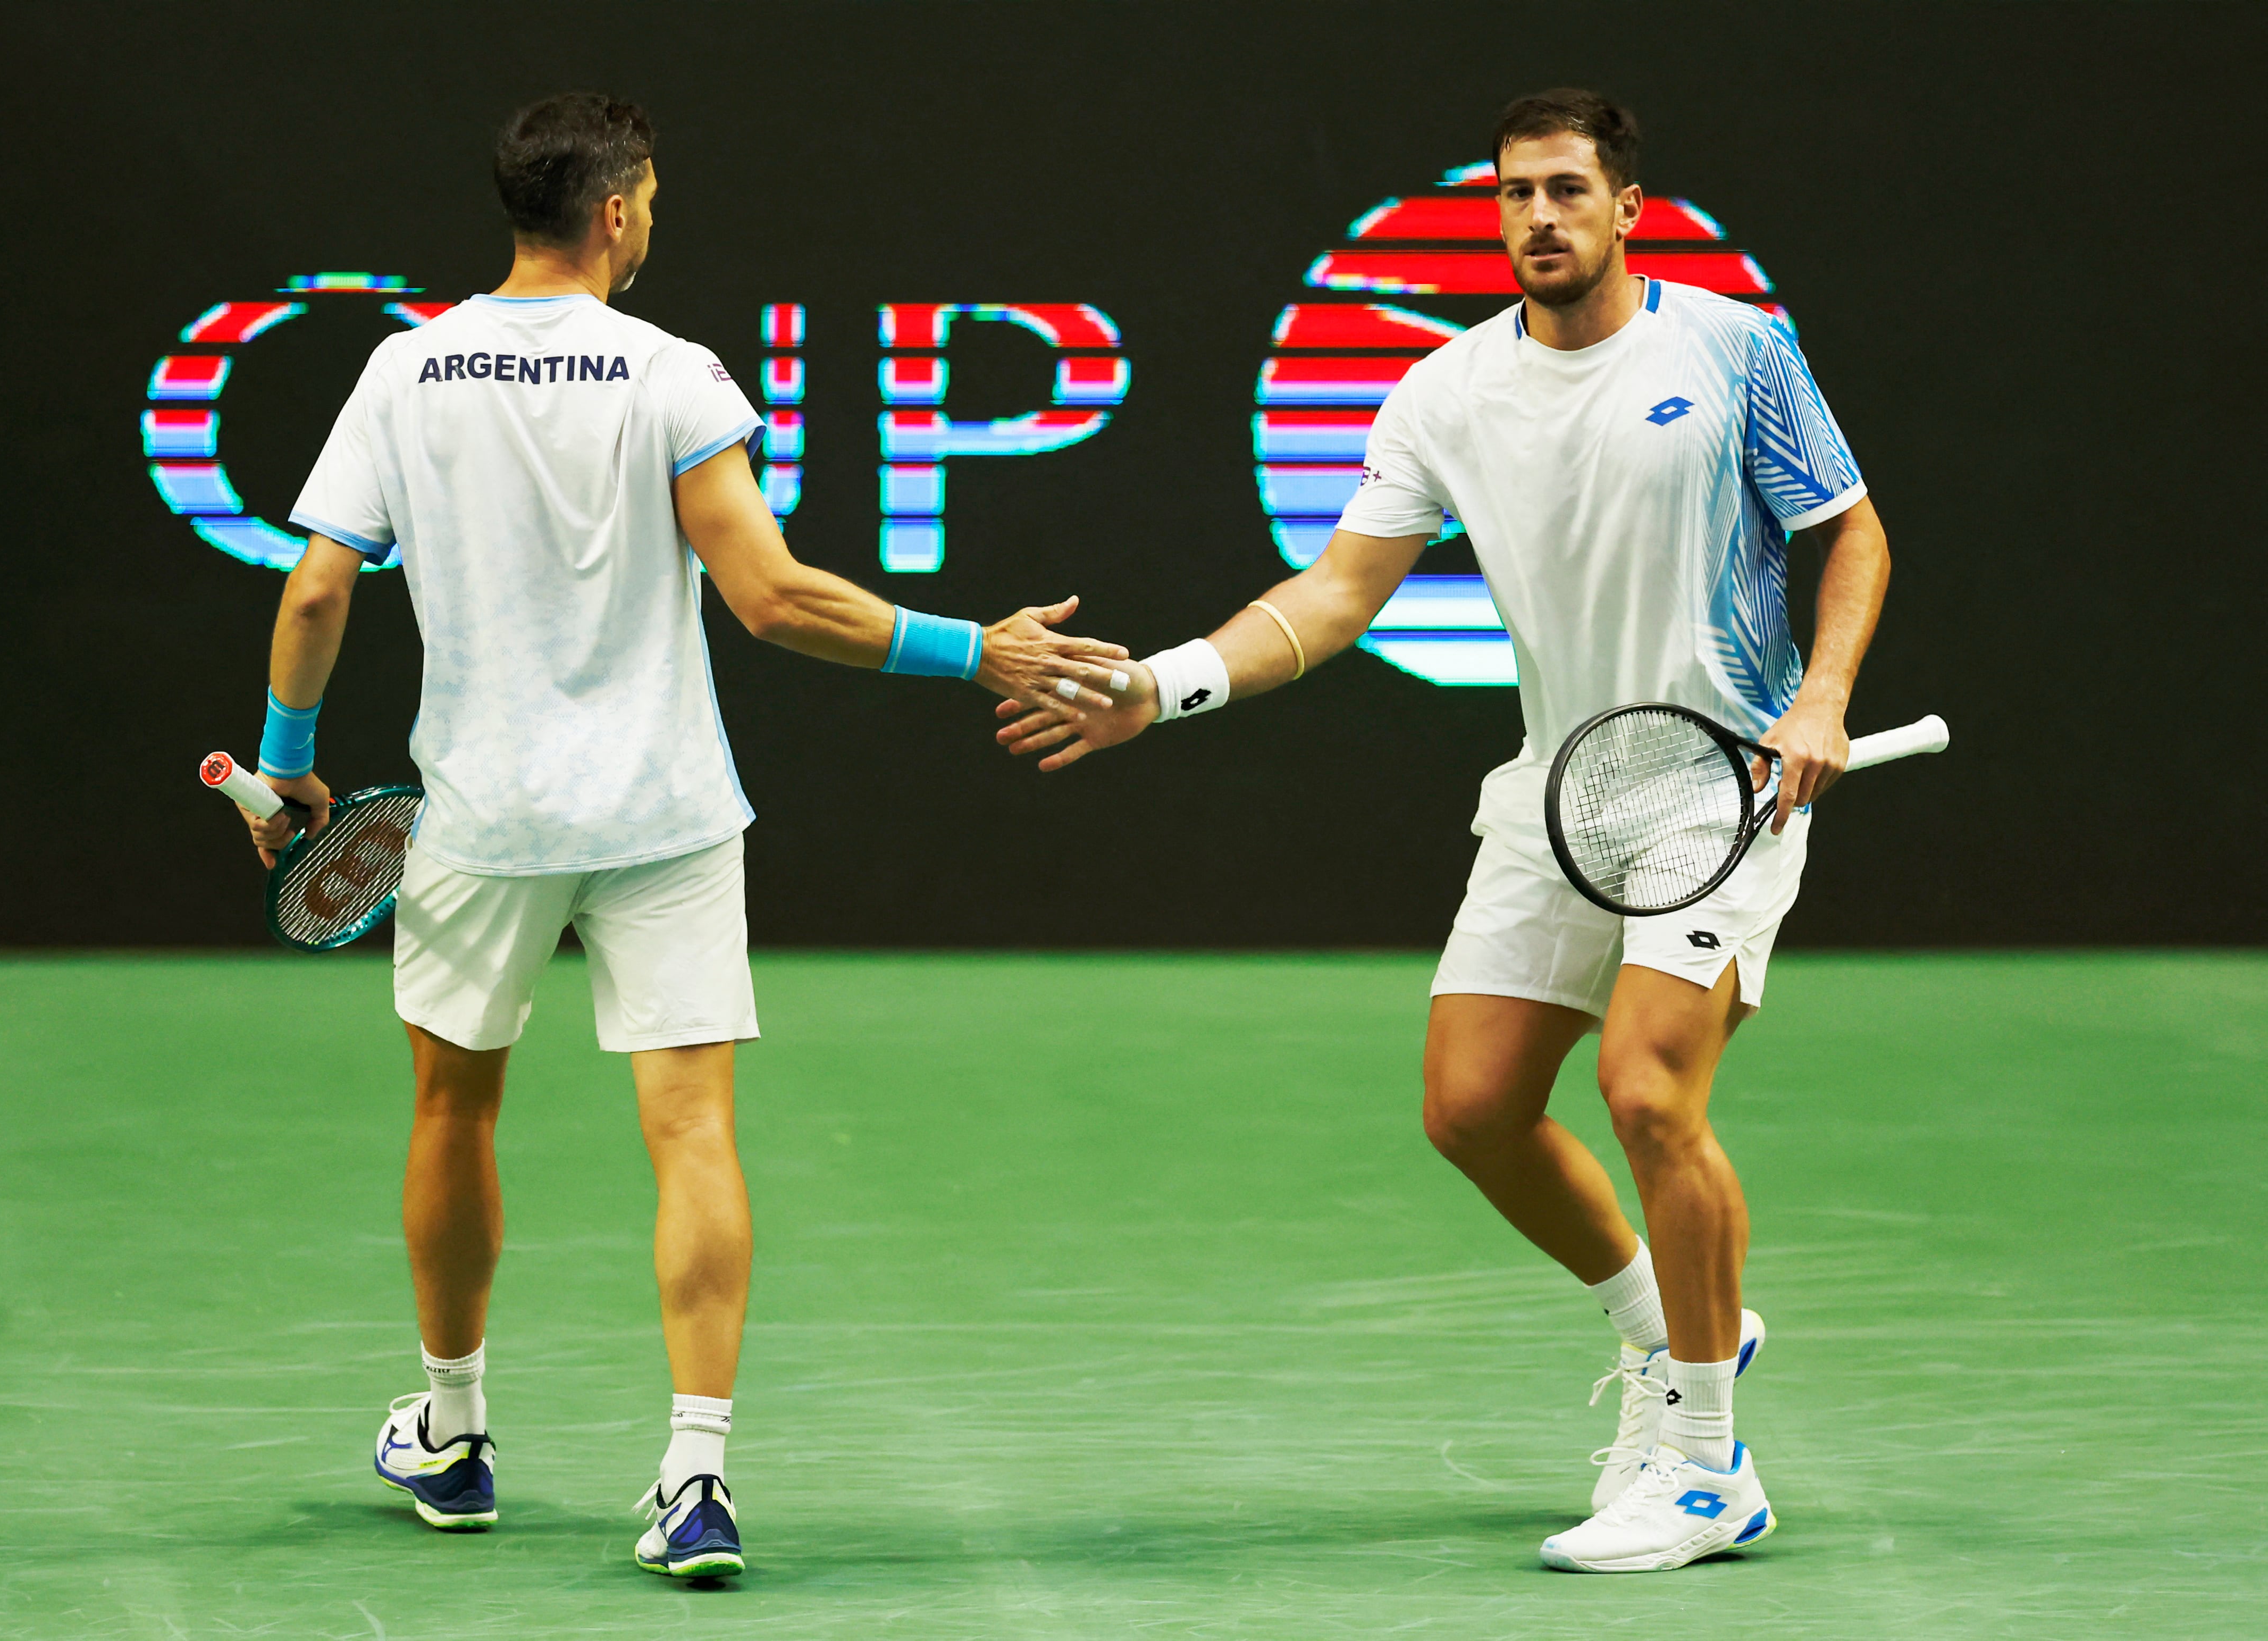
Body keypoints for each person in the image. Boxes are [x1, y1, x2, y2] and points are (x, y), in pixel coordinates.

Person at [997, 88, 1890, 1574]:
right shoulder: (1444, 392)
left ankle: (1706, 1462)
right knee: (1472, 1109)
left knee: (1649, 1092)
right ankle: (1675, 1337)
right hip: (1561, 783)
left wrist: (1821, 698)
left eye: (1565, 189)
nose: (1538, 217)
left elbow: (1848, 527)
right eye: (1514, 194)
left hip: (1717, 781)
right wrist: (1165, 687)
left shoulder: (1735, 348)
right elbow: (1336, 596)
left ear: (1627, 208)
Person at [238, 90, 1129, 1578]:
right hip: (663, 811)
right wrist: (976, 647)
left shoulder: (403, 372)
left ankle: (452, 1436)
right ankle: (696, 1477)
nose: (654, 218)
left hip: (486, 814)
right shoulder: (673, 374)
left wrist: (286, 766)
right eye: (649, 197)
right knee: (693, 1129)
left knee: (455, 1112)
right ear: (615, 213)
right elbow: (774, 599)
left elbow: (319, 592)